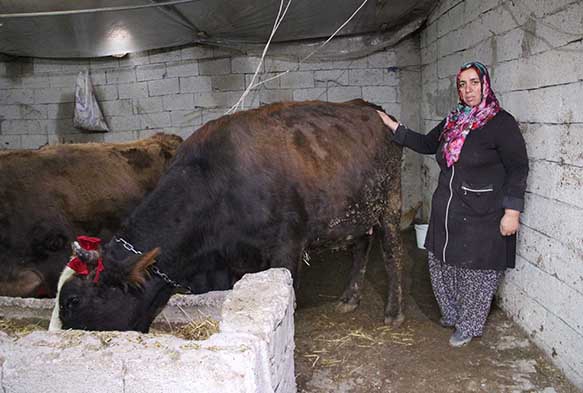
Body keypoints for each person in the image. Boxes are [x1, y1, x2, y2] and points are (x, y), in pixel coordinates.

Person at [377, 61, 528, 347]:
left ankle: (468, 325)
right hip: (449, 209)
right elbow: (425, 143)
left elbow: (518, 168)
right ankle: (452, 313)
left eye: (474, 82)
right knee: (441, 262)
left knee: (476, 272)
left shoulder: (501, 123)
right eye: (462, 84)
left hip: (483, 212)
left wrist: (512, 211)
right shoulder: (454, 119)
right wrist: (393, 126)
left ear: (485, 84)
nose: (468, 89)